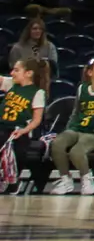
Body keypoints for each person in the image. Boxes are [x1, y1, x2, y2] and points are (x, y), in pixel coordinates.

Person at [46, 55, 94, 194]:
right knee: (57, 143)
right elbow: (75, 114)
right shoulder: (82, 88)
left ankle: (87, 180)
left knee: (76, 151)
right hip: (78, 128)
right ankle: (65, 180)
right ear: (90, 72)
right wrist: (68, 131)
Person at [2, 57, 49, 194]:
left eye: (16, 70)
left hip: (20, 130)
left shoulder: (37, 92)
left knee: (18, 150)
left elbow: (36, 120)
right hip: (2, 126)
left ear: (28, 73)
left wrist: (23, 131)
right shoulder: (11, 84)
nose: (12, 73)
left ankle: (13, 181)